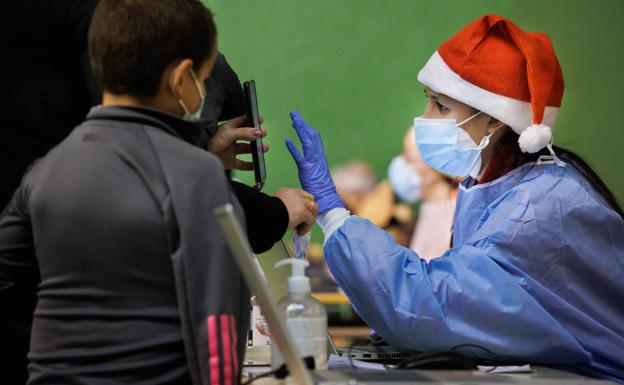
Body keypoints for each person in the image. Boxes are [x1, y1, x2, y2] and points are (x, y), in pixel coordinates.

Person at [285, 14, 624, 382]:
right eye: (428, 101)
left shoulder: (536, 208)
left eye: (441, 106)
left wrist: (334, 215)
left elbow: (429, 305)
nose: (425, 118)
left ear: (495, 121)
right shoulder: (498, 186)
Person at [0, 0, 319, 384]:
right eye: (203, 78)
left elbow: (7, 276)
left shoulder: (44, 172)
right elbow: (219, 316)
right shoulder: (197, 175)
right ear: (183, 78)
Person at [388, 127, 458, 260]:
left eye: (410, 158)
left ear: (435, 162)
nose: (402, 164)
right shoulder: (431, 207)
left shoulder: (455, 212)